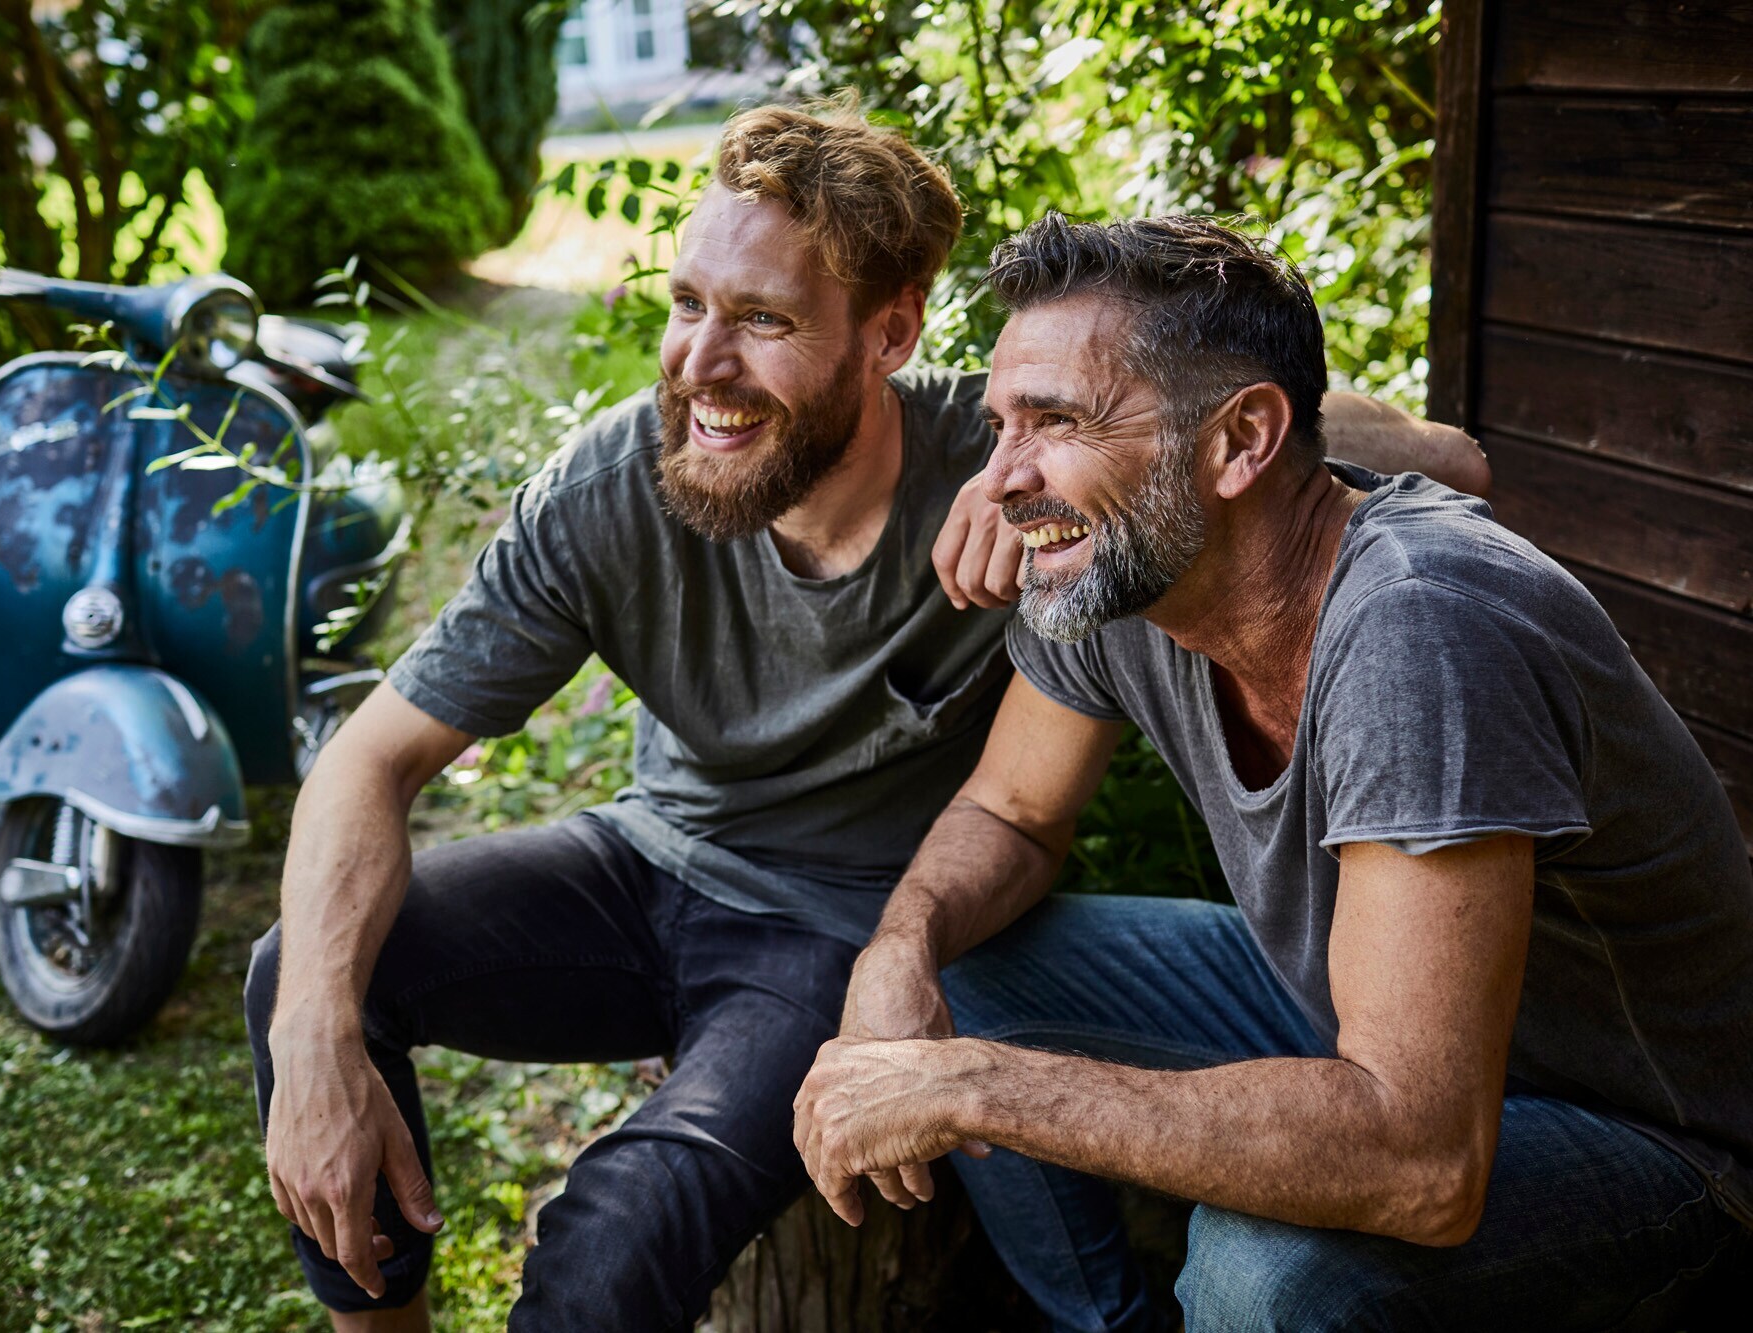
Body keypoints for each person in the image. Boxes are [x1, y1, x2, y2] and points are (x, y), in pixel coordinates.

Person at [246, 104, 1487, 1332]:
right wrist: (314, 1038)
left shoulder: (1016, 458)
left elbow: (1452, 462)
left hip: (829, 934)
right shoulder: (610, 485)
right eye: (687, 305)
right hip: (645, 864)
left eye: (763, 321)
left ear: (888, 331)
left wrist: (1099, 467)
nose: (698, 364)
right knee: (302, 974)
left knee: (618, 1229)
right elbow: (369, 758)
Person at [793, 212, 1753, 1332]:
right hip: (1356, 1020)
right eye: (999, 427)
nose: (1000, 483)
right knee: (969, 972)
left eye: (1054, 422)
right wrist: (895, 953)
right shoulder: (1128, 566)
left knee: (1264, 1267)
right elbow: (1007, 811)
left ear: (1240, 442)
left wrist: (971, 1085)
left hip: (1649, 1130)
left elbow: (1422, 1160)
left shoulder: (1421, 629)